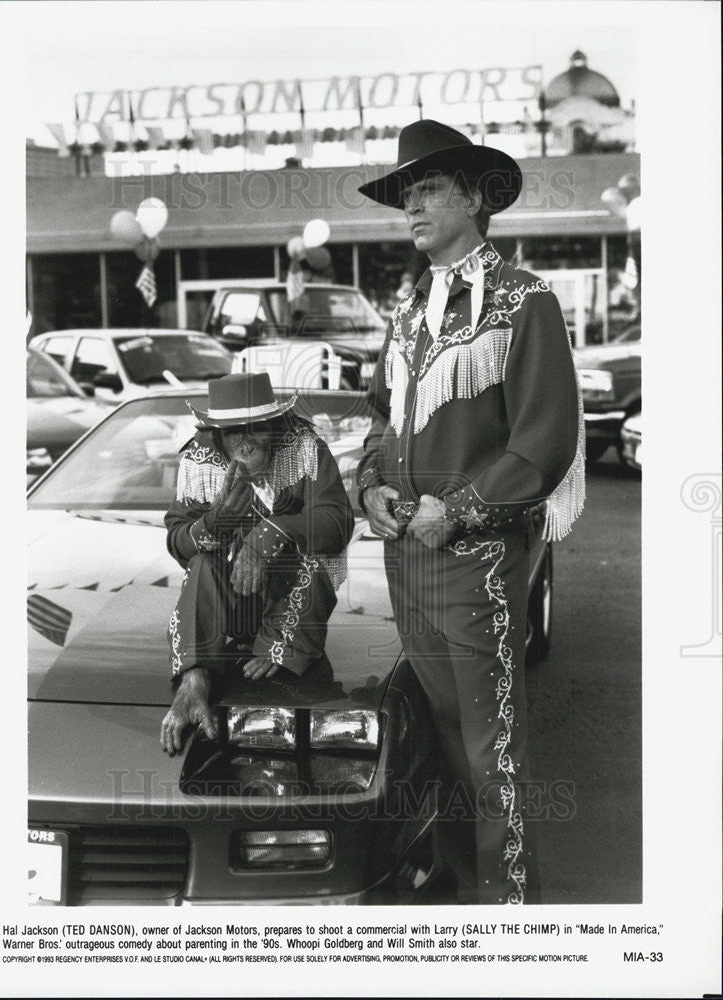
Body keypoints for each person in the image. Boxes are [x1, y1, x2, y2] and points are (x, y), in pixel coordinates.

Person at [356, 120, 585, 905]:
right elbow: (387, 424)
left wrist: (454, 512)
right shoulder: (409, 310)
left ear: (474, 199)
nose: (410, 209)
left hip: (477, 566)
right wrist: (370, 490)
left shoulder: (525, 301)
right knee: (440, 748)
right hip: (406, 564)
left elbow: (543, 444)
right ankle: (462, 897)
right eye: (406, 196)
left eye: (424, 191)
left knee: (494, 755)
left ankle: (511, 919)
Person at [160, 372, 354, 755]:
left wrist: (269, 535)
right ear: (217, 436)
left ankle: (280, 641)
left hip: (292, 605)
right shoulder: (199, 458)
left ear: (276, 426)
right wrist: (213, 525)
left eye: (256, 430)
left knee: (310, 557)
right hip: (228, 605)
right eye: (234, 434)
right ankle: (194, 680)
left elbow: (337, 524)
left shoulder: (305, 448)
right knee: (202, 562)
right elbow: (177, 538)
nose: (246, 444)